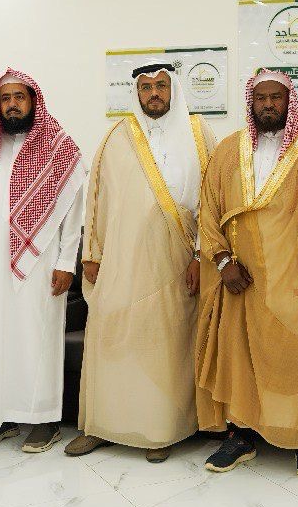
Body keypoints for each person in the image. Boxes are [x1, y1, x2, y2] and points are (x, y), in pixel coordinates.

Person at [195, 69, 298, 478]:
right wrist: (223, 262)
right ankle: (241, 437)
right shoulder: (228, 150)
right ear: (251, 103)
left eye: (275, 97)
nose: (268, 105)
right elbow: (207, 211)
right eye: (260, 98)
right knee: (241, 360)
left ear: (289, 101)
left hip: (296, 282)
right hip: (241, 281)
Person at [67, 62, 216, 463]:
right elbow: (96, 199)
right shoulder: (116, 136)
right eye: (146, 87)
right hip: (120, 260)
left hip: (176, 259)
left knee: (164, 344)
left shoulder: (198, 133)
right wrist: (91, 254)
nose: (154, 93)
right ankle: (101, 426)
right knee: (111, 336)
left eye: (161, 86)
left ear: (173, 90)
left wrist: (201, 255)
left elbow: (213, 199)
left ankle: (159, 431)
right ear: (136, 93)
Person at [0, 68, 85, 454]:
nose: (12, 105)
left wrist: (66, 263)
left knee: (36, 338)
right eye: (5, 98)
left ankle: (44, 420)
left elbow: (73, 211)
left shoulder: (59, 148)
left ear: (33, 101)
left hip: (40, 264)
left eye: (19, 97)